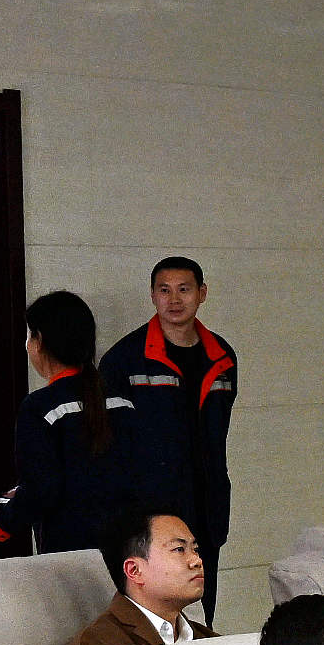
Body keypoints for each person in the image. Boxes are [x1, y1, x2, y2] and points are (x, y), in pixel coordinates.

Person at [100, 259, 239, 612]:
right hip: (147, 507)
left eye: (184, 289)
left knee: (202, 602)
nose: (174, 299)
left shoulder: (222, 356)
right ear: (152, 295)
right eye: (164, 290)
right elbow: (110, 443)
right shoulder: (124, 359)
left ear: (202, 293)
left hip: (206, 502)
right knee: (151, 608)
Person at [0, 291, 160, 557]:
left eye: (30, 336)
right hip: (128, 550)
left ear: (40, 341)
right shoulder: (122, 399)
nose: (27, 345)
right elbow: (114, 473)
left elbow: (41, 492)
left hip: (70, 554)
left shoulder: (40, 407)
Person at [66, 511, 213, 645]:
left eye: (195, 550)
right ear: (134, 570)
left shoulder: (209, 641)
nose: (197, 561)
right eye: (179, 549)